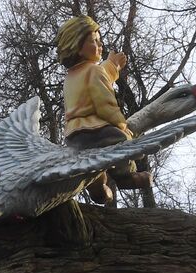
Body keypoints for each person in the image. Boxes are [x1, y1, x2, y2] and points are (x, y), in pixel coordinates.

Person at [57, 15, 151, 202]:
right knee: (122, 142)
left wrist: (112, 65)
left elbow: (101, 74)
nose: (100, 45)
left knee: (91, 161)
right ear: (78, 47)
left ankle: (98, 186)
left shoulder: (70, 77)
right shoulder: (94, 71)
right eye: (95, 41)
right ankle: (126, 176)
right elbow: (104, 102)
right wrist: (121, 123)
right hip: (95, 129)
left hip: (73, 135)